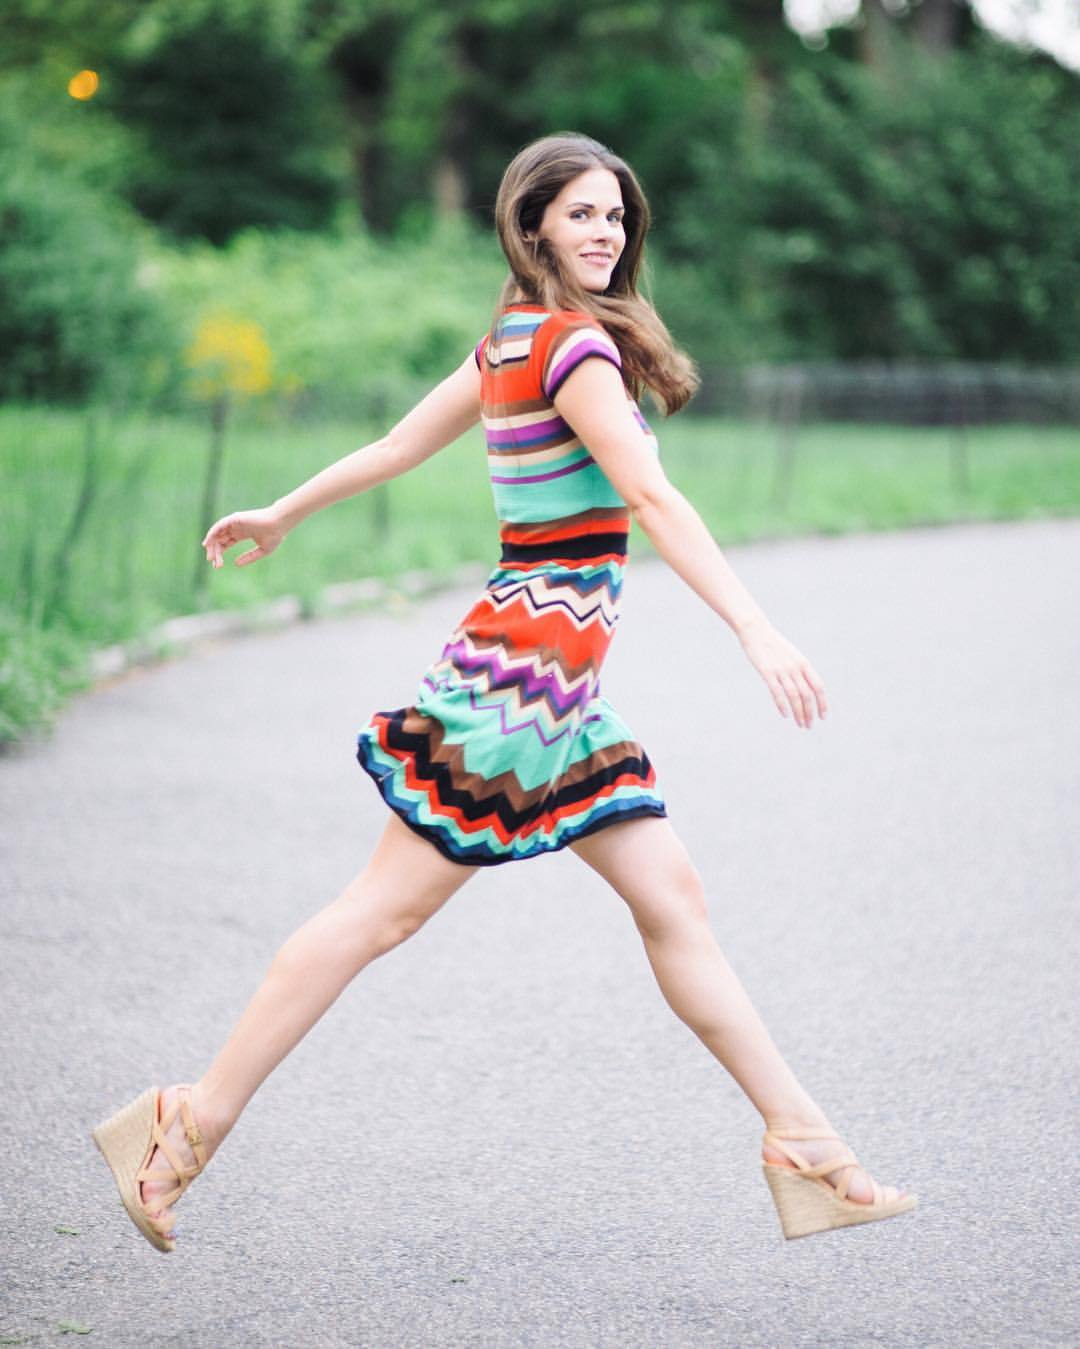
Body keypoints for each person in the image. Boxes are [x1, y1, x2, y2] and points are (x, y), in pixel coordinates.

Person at [92, 132, 916, 1248]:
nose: (605, 231)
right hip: (519, 683)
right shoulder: (569, 350)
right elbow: (651, 499)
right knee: (378, 913)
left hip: (557, 689)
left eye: (617, 216)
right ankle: (184, 1124)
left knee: (672, 899)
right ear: (531, 227)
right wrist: (756, 625)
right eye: (581, 214)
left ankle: (807, 1145)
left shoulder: (512, 342)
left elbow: (393, 445)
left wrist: (285, 511)